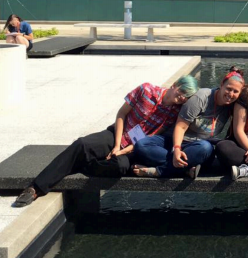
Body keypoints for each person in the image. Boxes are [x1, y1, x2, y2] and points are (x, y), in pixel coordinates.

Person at [13, 75, 199, 207]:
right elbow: (121, 114)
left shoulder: (174, 112)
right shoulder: (146, 89)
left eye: (186, 96)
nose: (181, 97)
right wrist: (118, 144)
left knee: (119, 167)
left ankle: (83, 166)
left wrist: (125, 150)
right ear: (175, 85)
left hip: (135, 147)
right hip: (116, 133)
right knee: (83, 144)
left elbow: (152, 135)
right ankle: (35, 188)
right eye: (182, 91)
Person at [133, 67, 245, 178]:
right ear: (221, 85)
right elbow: (180, 127)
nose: (230, 94)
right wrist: (176, 149)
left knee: (206, 148)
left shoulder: (232, 107)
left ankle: (160, 171)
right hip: (175, 141)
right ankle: (185, 169)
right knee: (141, 145)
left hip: (198, 147)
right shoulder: (201, 97)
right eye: (228, 89)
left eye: (235, 91)